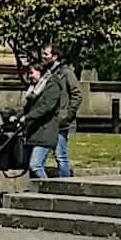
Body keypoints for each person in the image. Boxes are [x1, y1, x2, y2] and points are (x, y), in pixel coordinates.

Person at [40, 44, 80, 180]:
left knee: (60, 156)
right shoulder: (46, 73)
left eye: (46, 54)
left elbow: (77, 94)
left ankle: (66, 184)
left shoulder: (66, 73)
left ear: (55, 56)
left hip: (60, 121)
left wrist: (68, 115)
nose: (43, 57)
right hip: (47, 121)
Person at [18, 61, 62, 180]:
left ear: (40, 73)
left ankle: (47, 188)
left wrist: (27, 117)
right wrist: (17, 117)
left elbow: (47, 107)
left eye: (32, 73)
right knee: (29, 167)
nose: (29, 76)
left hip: (45, 131)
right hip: (33, 132)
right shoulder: (34, 89)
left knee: (35, 165)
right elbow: (27, 108)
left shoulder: (52, 85)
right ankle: (37, 192)